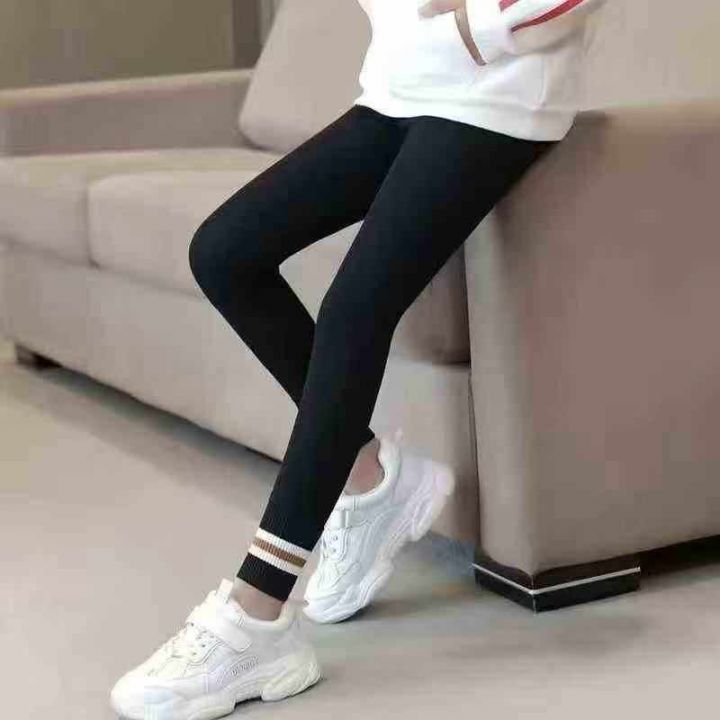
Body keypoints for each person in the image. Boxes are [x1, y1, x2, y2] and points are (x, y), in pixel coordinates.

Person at [110, 0, 606, 717]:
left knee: (354, 311)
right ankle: (371, 479)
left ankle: (256, 616)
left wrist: (465, 29)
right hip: (399, 88)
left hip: (494, 98)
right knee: (224, 252)